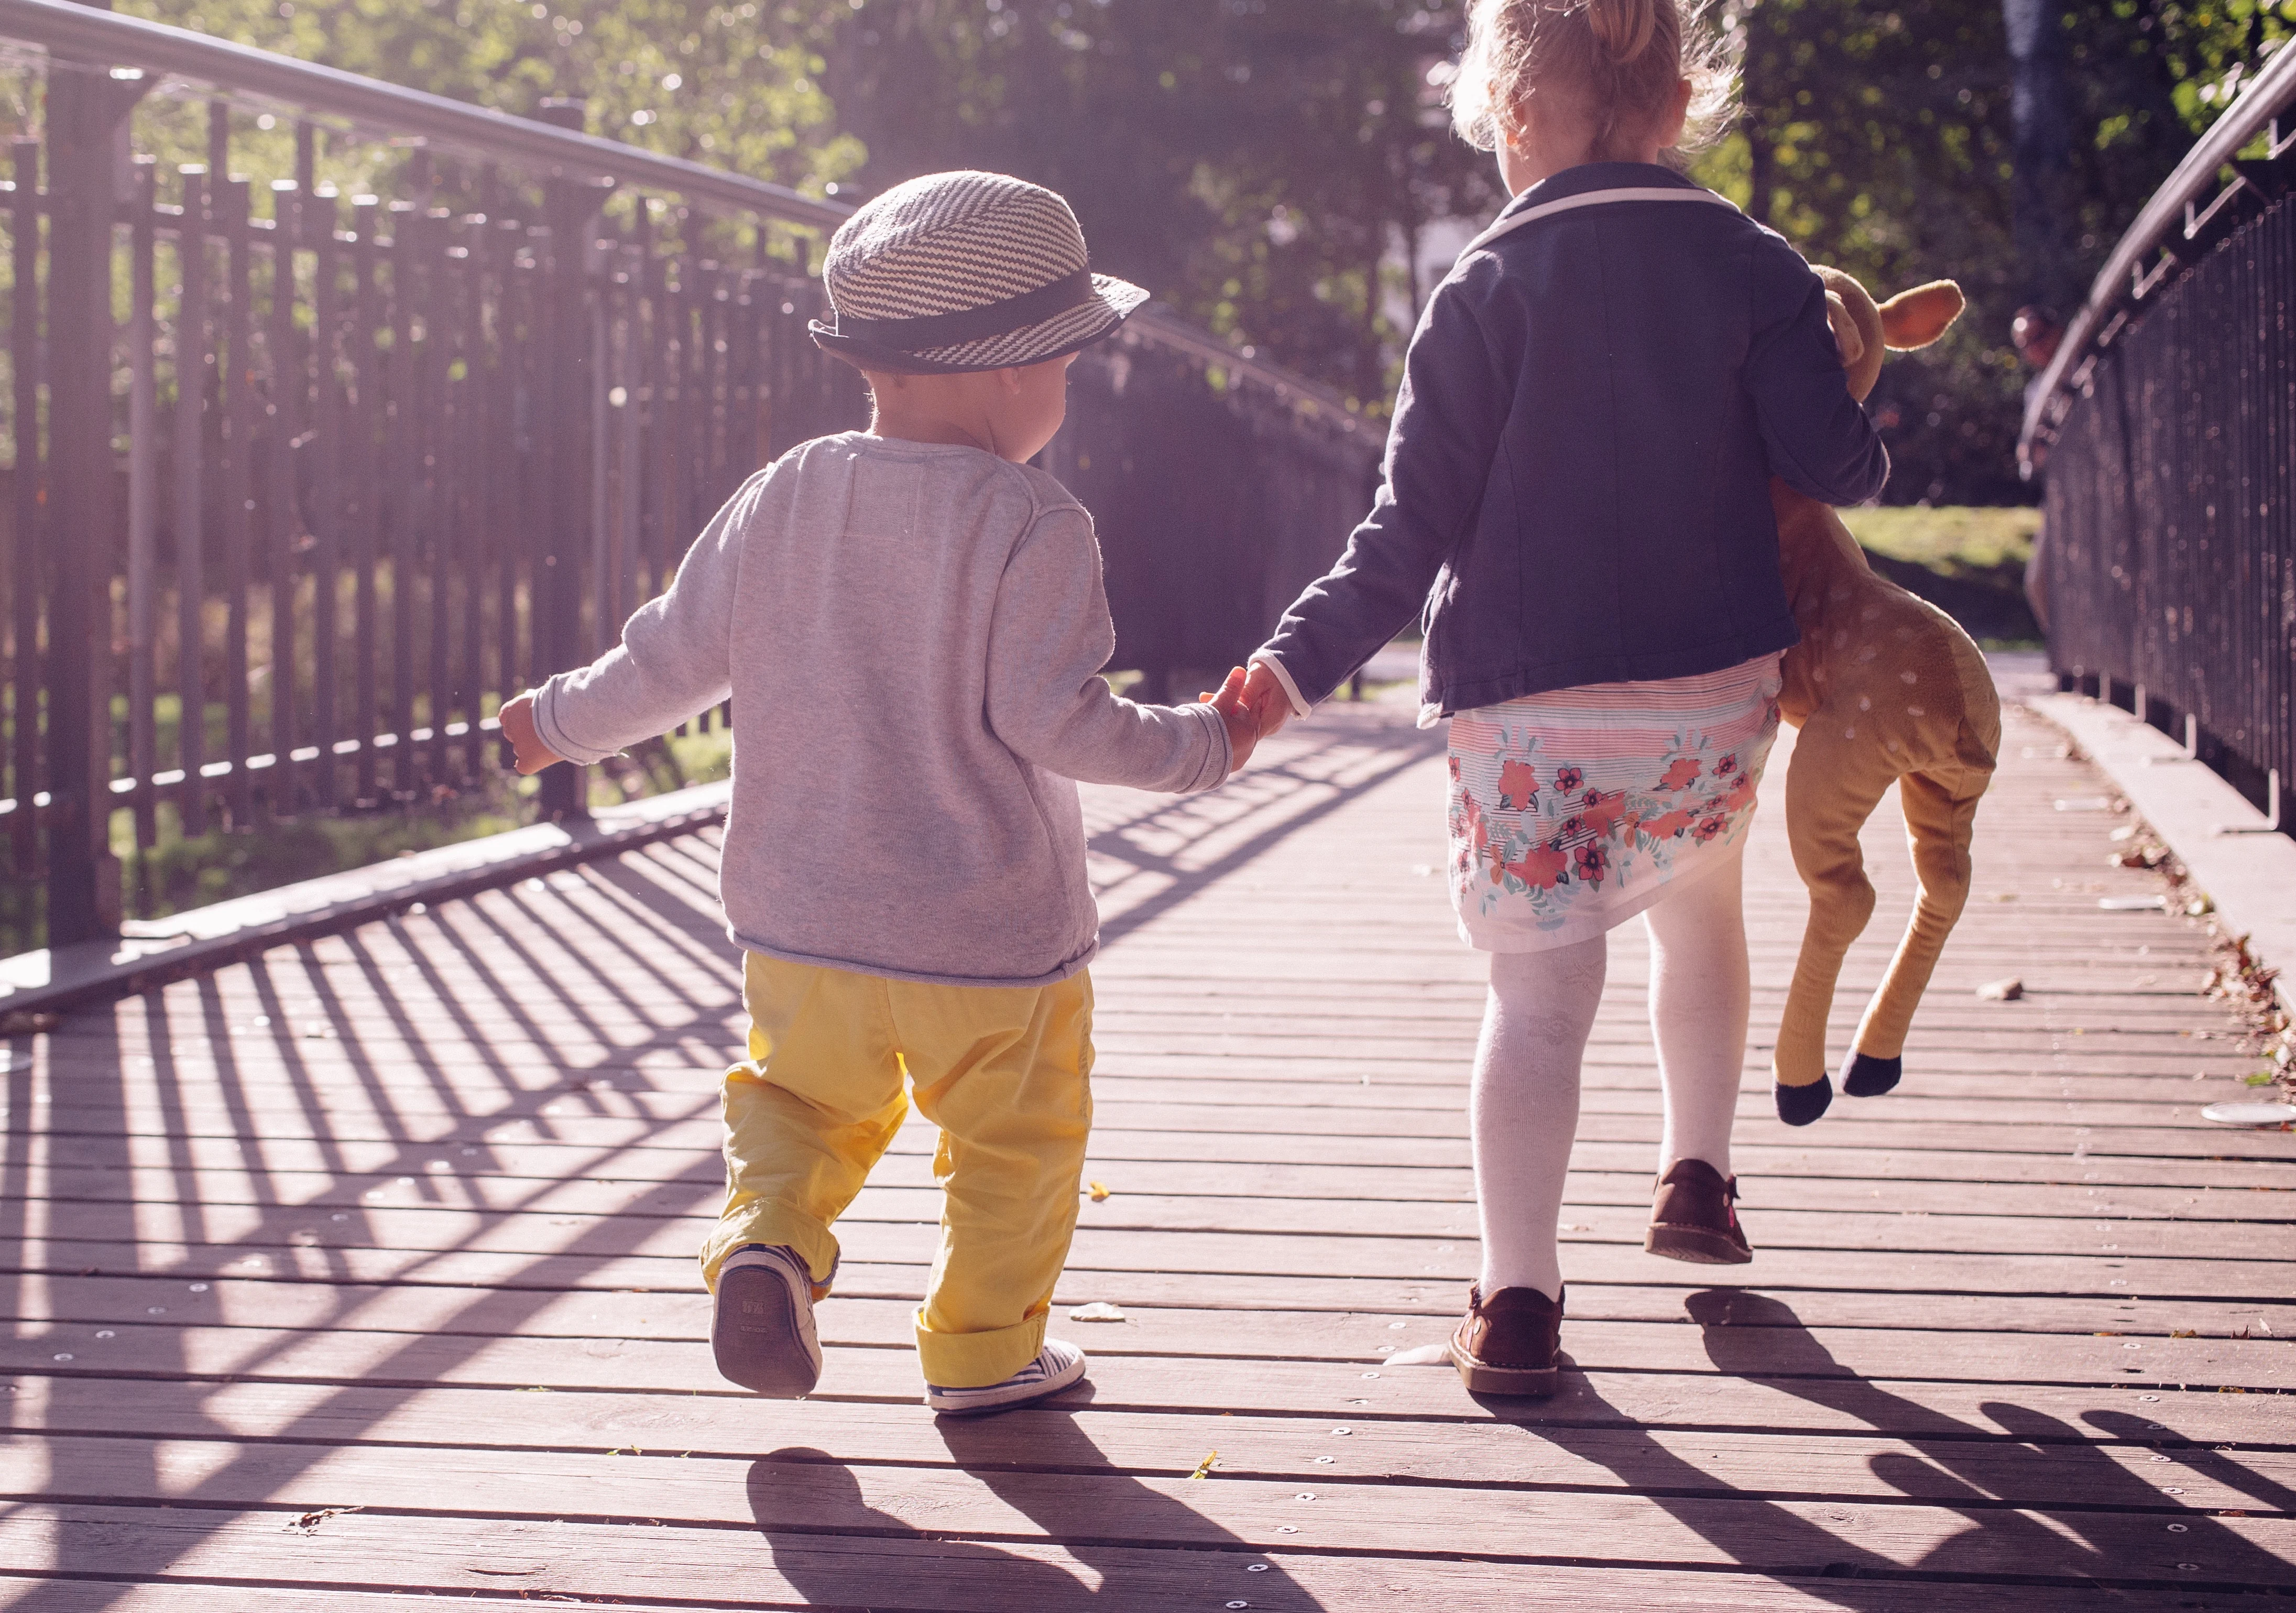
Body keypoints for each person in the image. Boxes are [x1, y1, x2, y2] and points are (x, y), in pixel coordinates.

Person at [498, 170, 1265, 1415]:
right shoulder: (1035, 520)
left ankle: (770, 1245)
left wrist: (555, 722)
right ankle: (982, 1351)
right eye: (1067, 365)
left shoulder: (784, 491)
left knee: (798, 1106)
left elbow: (670, 661)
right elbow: (1053, 721)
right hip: (991, 939)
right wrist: (1205, 745)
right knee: (1013, 1148)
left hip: (803, 921)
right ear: (1014, 373)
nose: (1066, 393)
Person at [1230, 0, 1889, 1396]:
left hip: (1529, 717)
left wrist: (1287, 668)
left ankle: (1518, 1299)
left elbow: (1402, 535)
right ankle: (1698, 1177)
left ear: (1521, 112)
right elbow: (1839, 469)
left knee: (1538, 1006)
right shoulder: (1754, 263)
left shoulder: (1480, 288)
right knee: (1701, 908)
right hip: (1709, 698)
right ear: (1677, 102)